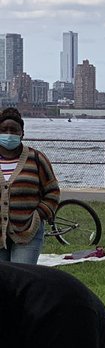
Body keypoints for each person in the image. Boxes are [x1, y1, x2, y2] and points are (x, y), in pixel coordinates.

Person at [0, 108, 60, 264]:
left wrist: (39, 214)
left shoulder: (36, 158)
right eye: (4, 130)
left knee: (21, 277)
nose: (8, 134)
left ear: (22, 133)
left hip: (28, 232)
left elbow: (52, 191)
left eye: (13, 130)